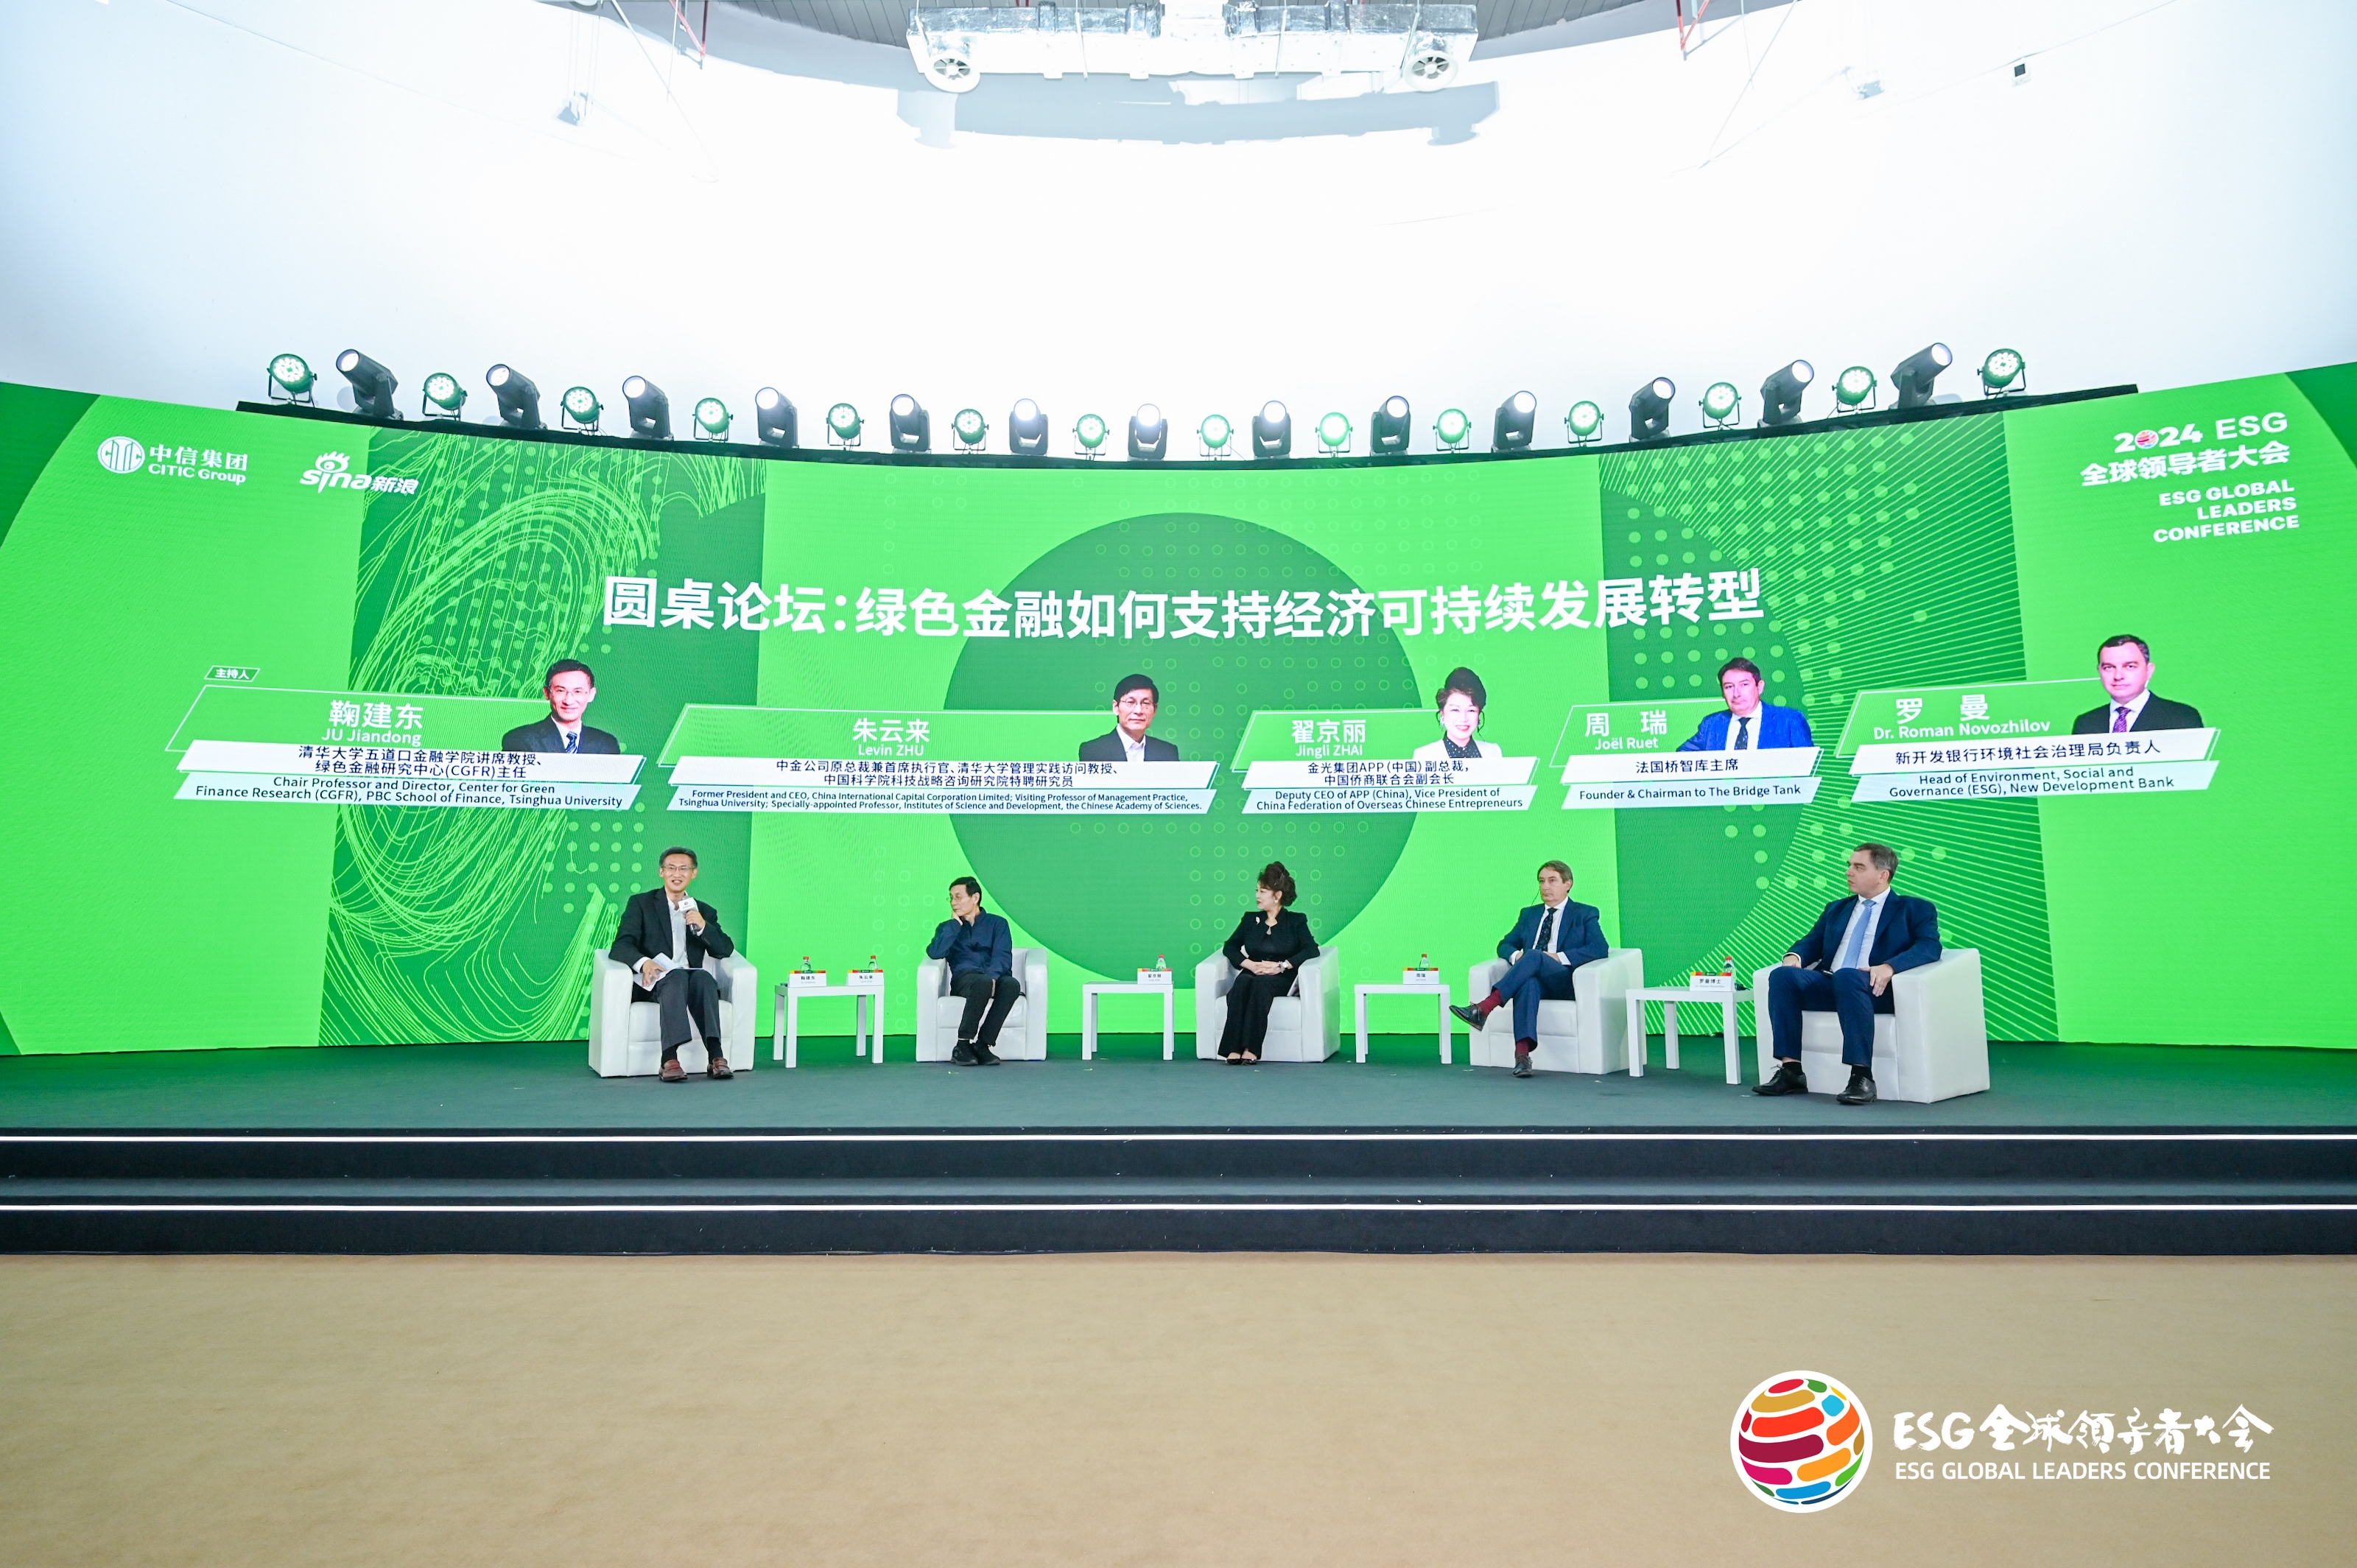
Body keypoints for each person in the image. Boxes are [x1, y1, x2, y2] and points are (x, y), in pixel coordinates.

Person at [1754, 843, 1942, 1106]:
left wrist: (1889, 967)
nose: (1849, 872)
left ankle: (1862, 1077)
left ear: (1883, 875)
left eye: (1859, 867)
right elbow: (1813, 941)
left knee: (1848, 977)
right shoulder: (1836, 908)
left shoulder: (1915, 909)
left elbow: (1929, 946)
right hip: (1830, 983)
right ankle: (1791, 1071)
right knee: (1782, 976)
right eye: (1849, 865)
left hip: (1872, 989)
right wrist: (1795, 957)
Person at [1448, 860, 1607, 1077]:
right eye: (1542, 881)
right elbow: (1505, 945)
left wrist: (1557, 957)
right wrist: (1517, 957)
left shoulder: (1584, 913)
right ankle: (1522, 1057)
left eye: (1552, 881)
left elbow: (1599, 948)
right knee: (1529, 982)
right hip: (1535, 979)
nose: (1545, 887)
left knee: (1534, 955)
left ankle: (1484, 1008)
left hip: (1563, 980)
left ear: (1568, 884)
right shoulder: (1529, 914)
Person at [609, 846, 736, 1082]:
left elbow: (724, 950)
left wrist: (703, 926)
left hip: (691, 979)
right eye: (671, 868)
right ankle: (669, 1059)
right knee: (675, 977)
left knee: (704, 979)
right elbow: (621, 945)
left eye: (684, 869)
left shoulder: (703, 910)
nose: (677, 874)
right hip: (656, 981)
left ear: (694, 873)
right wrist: (644, 963)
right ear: (662, 872)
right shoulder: (642, 904)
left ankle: (716, 1057)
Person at [1215, 862, 1319, 1063]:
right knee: (1242, 983)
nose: (1257, 896)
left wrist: (1282, 966)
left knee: (1260, 987)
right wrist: (1249, 965)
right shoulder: (1250, 919)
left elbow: (1311, 949)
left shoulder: (1296, 921)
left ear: (1277, 895)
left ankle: (1251, 1049)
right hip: (1253, 971)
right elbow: (1230, 947)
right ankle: (1232, 1048)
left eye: (1262, 891)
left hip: (1281, 976)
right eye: (1257, 891)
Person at [926, 876, 1019, 1065]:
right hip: (965, 980)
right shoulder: (947, 928)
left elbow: (1002, 955)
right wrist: (954, 926)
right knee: (982, 982)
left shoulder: (998, 924)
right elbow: (935, 953)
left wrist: (993, 978)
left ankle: (982, 1045)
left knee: (1011, 985)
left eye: (959, 897)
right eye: (951, 898)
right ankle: (962, 1045)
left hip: (993, 976)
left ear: (975, 898)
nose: (953, 902)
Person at [2070, 634, 2204, 734]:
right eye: (2109, 668)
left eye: (2130, 667)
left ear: (2148, 671)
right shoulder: (2086, 723)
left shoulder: (2182, 717)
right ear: (2099, 671)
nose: (2118, 676)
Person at [1676, 658, 1812, 752]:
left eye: (1744, 685)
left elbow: (1808, 765)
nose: (1736, 694)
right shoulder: (1712, 724)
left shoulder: (1789, 720)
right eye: (1729, 687)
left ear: (1760, 687)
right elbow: (1683, 758)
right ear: (1723, 693)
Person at [504, 659, 621, 753]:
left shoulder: (606, 744)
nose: (568, 701)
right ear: (547, 693)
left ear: (591, 694)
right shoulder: (520, 739)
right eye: (560, 691)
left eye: (578, 692)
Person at [1078, 674, 1179, 761]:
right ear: (1116, 707)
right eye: (1130, 702)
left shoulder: (1168, 752)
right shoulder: (1093, 751)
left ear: (1155, 710)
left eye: (1145, 703)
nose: (1138, 711)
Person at [1411, 667, 1503, 760]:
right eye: (1455, 710)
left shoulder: (1493, 752)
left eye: (1471, 710)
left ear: (1479, 714)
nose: (1463, 719)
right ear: (1442, 712)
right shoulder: (1424, 755)